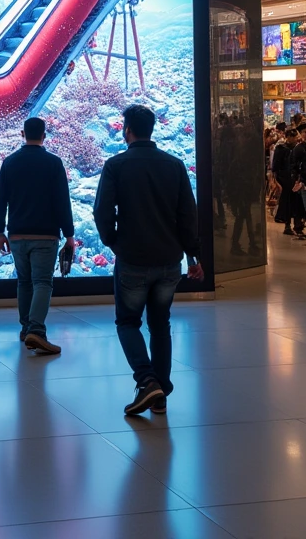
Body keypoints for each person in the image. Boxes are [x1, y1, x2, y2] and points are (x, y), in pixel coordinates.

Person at [94, 104, 203, 416]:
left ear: (127, 129)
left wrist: (113, 241)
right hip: (170, 261)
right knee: (160, 324)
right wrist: (193, 255)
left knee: (128, 322)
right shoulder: (175, 165)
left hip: (133, 259)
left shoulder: (116, 165)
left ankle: (146, 380)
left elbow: (103, 211)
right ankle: (160, 394)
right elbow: (188, 217)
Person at [0, 117, 74, 356]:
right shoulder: (54, 163)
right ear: (44, 136)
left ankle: (26, 327)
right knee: (43, 282)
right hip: (46, 235)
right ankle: (36, 330)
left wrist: (0, 231)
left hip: (17, 234)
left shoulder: (9, 163)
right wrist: (69, 234)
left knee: (24, 282)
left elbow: (0, 201)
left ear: (22, 134)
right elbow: (62, 202)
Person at [272, 127, 304, 237]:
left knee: (296, 202)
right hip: (284, 179)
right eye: (294, 136)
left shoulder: (297, 148)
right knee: (287, 202)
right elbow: (275, 165)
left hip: (294, 179)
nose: (296, 139)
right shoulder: (281, 149)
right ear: (289, 137)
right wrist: (276, 180)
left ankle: (297, 224)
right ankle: (287, 224)